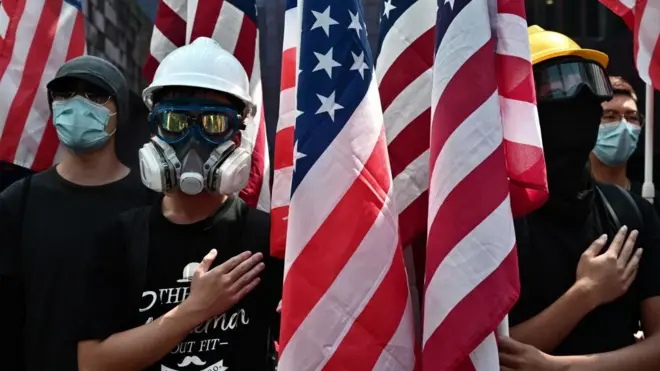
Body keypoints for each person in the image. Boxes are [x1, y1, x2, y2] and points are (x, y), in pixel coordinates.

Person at [76, 37, 282, 371]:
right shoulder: (119, 239)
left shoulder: (268, 239)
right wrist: (195, 308)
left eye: (214, 124)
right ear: (154, 129)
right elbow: (92, 362)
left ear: (237, 138)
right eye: (175, 122)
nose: (193, 140)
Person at [498, 26, 660, 371]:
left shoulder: (631, 211)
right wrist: (585, 293)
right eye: (557, 86)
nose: (580, 100)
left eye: (589, 85)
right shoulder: (494, 223)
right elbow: (484, 355)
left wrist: (559, 367)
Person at [0, 56, 155, 371]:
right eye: (65, 94)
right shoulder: (19, 202)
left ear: (119, 111)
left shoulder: (151, 202)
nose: (77, 105)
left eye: (95, 96)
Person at [590, 76, 660, 214]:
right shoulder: (572, 201)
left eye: (632, 117)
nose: (624, 126)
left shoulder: (652, 200)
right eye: (610, 116)